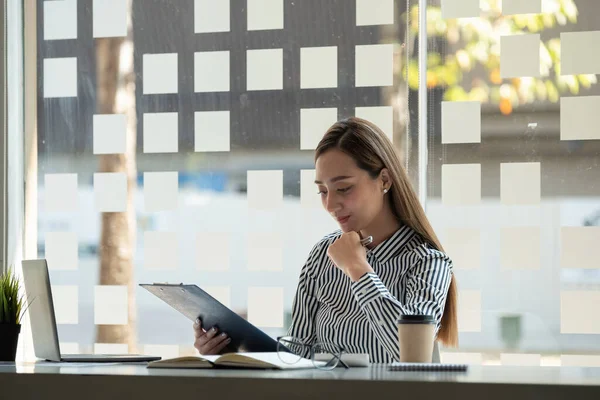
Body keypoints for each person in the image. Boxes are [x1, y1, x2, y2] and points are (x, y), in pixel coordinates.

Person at [193, 117, 458, 362]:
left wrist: (358, 270)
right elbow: (297, 357)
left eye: (344, 188)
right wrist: (230, 351)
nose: (331, 204)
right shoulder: (323, 254)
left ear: (384, 179)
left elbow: (413, 356)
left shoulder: (428, 262)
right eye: (322, 191)